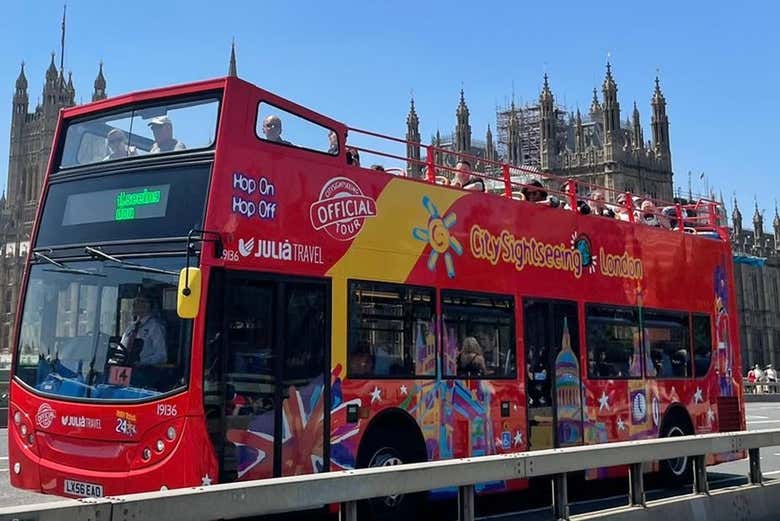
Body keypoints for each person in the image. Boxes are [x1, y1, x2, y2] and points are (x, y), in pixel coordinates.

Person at [119, 291, 167, 366]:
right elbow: (121, 348)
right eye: (135, 301)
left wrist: (141, 362)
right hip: (125, 369)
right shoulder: (131, 326)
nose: (134, 304)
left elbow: (162, 356)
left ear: (148, 305)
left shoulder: (155, 327)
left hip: (144, 371)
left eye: (139, 301)